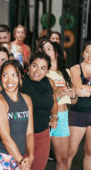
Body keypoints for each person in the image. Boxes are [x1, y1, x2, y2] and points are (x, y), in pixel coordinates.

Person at [0, 60, 34, 170]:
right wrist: (22, 162)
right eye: (5, 75)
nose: (9, 80)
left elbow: (30, 132)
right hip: (2, 158)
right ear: (0, 78)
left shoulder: (27, 100)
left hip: (21, 157)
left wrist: (31, 156)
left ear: (21, 77)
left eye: (14, 75)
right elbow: (6, 139)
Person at [39, 39, 77, 169]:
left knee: (63, 159)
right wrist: (57, 94)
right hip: (46, 118)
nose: (46, 50)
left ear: (56, 53)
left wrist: (73, 95)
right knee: (39, 159)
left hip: (63, 116)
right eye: (43, 49)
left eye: (49, 48)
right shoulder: (41, 72)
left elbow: (74, 101)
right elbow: (37, 98)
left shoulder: (66, 72)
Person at [21, 51, 58, 170]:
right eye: (35, 66)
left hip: (43, 134)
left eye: (43, 68)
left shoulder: (50, 83)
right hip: (22, 136)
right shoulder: (20, 82)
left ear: (47, 71)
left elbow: (54, 102)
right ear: (29, 65)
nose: (37, 71)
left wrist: (54, 116)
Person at [68, 41, 91, 170]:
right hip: (78, 113)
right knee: (70, 151)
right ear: (83, 53)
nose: (90, 54)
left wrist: (87, 93)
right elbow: (77, 87)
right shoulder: (75, 69)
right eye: (87, 51)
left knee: (90, 151)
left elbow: (82, 90)